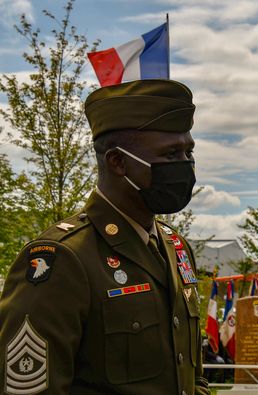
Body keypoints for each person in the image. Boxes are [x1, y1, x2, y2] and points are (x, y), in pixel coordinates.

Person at [0, 80, 210, 395]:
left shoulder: (174, 247)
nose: (185, 165)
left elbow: (190, 378)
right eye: (170, 154)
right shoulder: (61, 260)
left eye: (188, 151)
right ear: (118, 162)